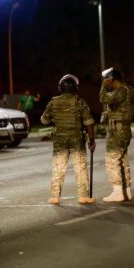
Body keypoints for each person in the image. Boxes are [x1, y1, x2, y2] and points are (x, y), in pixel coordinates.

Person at [40, 74, 96, 205]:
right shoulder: (80, 101)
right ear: (75, 88)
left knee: (58, 167)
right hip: (77, 139)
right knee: (80, 168)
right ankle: (83, 196)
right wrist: (91, 141)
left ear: (60, 88)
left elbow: (44, 120)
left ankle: (55, 197)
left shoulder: (53, 102)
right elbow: (89, 123)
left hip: (59, 140)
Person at [100, 67, 134, 202]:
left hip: (118, 131)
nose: (105, 82)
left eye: (106, 79)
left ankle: (117, 191)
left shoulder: (121, 91)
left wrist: (103, 87)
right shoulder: (128, 90)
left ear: (112, 79)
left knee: (112, 160)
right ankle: (126, 191)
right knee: (122, 161)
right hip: (123, 129)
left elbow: (103, 98)